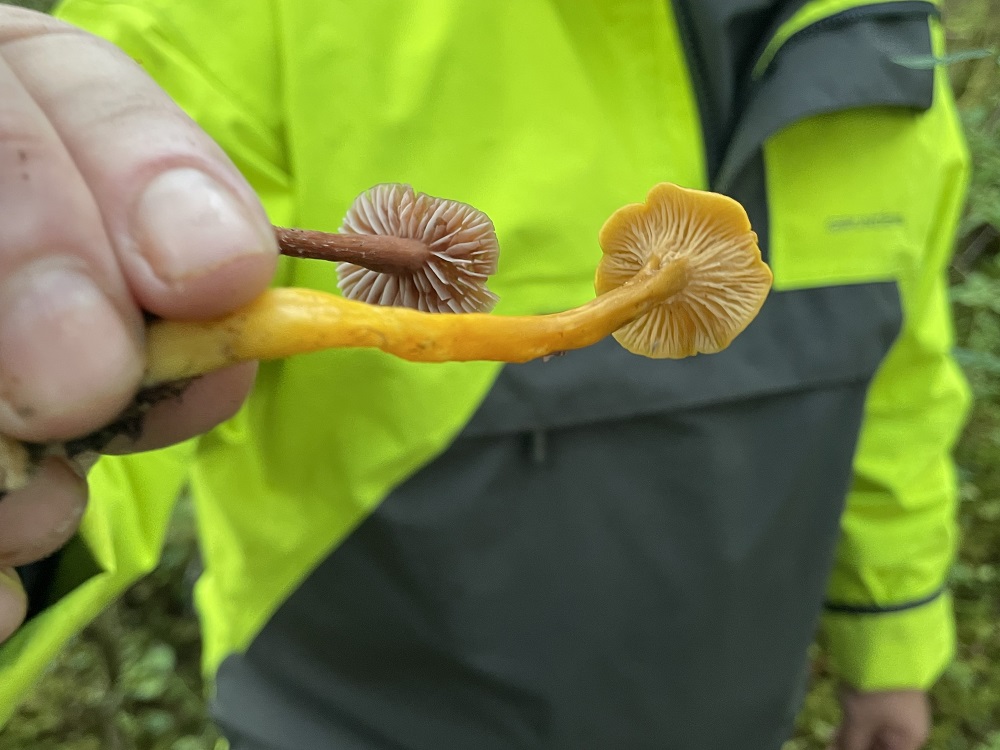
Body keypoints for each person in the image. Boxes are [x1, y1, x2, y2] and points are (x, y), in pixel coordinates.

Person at [0, 1, 970, 748]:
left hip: (725, 706)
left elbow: (895, 380)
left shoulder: (884, 41)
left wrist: (890, 641)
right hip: (358, 717)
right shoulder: (257, 20)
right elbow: (101, 400)